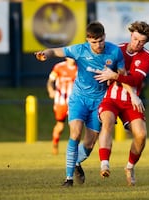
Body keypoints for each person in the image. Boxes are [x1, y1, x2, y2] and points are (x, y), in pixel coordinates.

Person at [35, 21, 125, 187]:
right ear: (87, 40)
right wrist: (45, 54)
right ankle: (68, 179)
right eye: (94, 42)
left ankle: (75, 162)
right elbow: (56, 51)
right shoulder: (80, 50)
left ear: (104, 37)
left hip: (100, 101)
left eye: (100, 41)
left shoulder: (114, 51)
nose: (98, 45)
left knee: (89, 144)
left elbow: (122, 74)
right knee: (75, 134)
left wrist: (113, 75)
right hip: (79, 98)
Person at [94, 21, 149, 186]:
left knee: (141, 135)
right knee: (107, 122)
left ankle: (129, 167)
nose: (137, 43)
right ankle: (104, 164)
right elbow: (102, 70)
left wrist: (114, 76)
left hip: (131, 101)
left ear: (146, 42)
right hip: (111, 99)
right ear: (131, 34)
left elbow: (135, 79)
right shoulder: (116, 50)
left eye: (142, 41)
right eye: (136, 39)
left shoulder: (147, 57)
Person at [47, 58, 77, 155]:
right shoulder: (59, 67)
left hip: (75, 102)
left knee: (75, 126)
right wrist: (51, 90)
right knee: (60, 126)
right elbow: (50, 81)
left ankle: (73, 150)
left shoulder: (79, 67)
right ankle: (55, 145)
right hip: (61, 102)